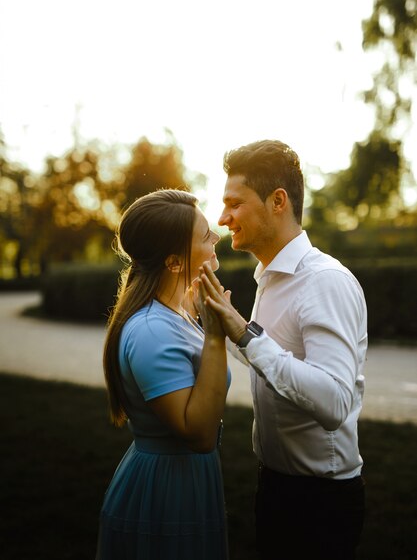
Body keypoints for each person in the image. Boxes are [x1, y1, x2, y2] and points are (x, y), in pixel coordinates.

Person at [198, 140, 367, 560]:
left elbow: (334, 402)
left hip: (320, 502)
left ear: (278, 201)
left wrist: (244, 332)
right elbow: (273, 357)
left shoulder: (324, 281)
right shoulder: (270, 278)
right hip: (274, 486)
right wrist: (228, 329)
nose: (223, 219)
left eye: (234, 204)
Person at [96, 189, 230, 560]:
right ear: (174, 262)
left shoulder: (180, 312)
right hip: (165, 491)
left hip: (188, 481)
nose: (217, 236)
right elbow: (200, 434)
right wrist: (216, 337)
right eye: (205, 235)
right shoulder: (152, 330)